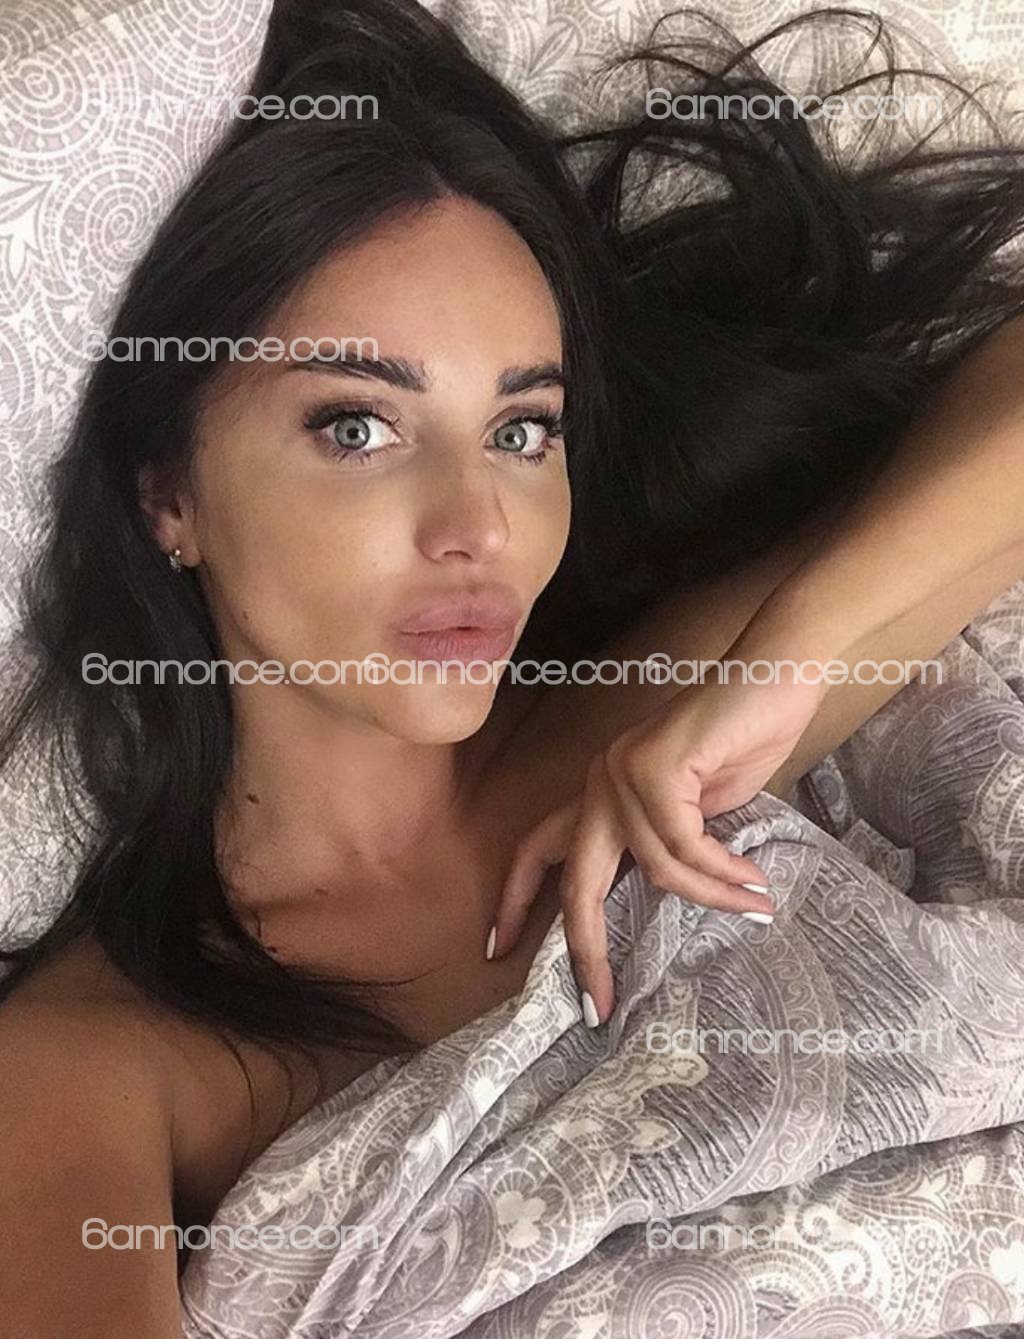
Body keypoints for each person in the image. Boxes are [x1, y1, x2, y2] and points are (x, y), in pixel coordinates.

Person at [2, 0, 1024, 1331]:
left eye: (522, 431)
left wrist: (798, 650)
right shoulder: (90, 1064)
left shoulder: (651, 730)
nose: (478, 528)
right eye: (358, 427)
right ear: (169, 497)